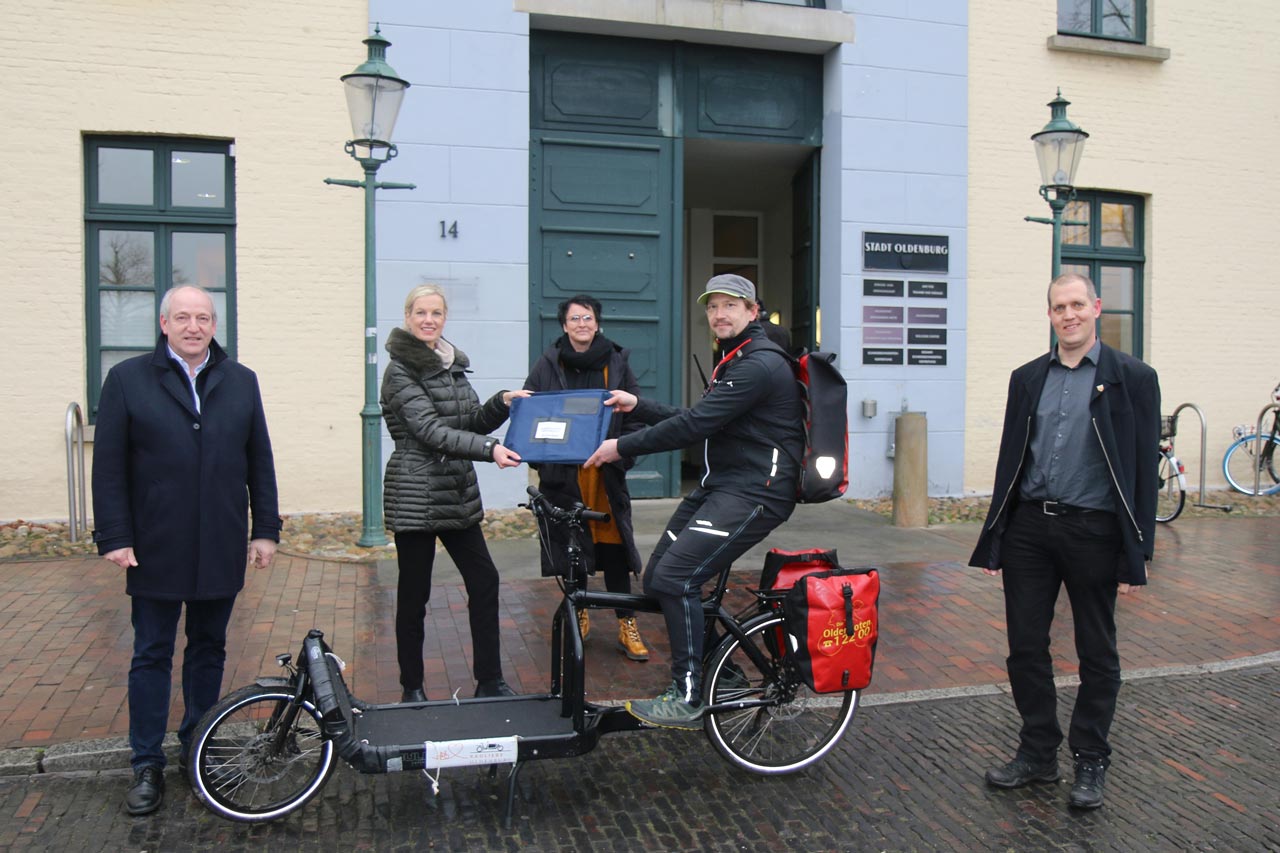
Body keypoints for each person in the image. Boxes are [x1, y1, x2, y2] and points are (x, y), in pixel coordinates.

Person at [970, 272, 1160, 810]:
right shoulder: (1027, 377)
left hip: (1095, 530)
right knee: (1025, 647)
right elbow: (1012, 458)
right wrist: (998, 533)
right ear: (1049, 314)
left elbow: (1144, 468)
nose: (1069, 314)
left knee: (1096, 651)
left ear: (1096, 307)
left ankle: (1091, 759)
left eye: (1078, 304)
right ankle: (1037, 754)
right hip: (1031, 527)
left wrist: (1136, 551)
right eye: (1059, 307)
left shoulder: (1133, 378)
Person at [92, 285, 281, 816]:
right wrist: (115, 536)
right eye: (183, 317)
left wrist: (264, 529)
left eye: (203, 318)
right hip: (155, 544)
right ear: (164, 323)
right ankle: (146, 763)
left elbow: (258, 460)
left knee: (208, 649)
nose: (193, 326)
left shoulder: (241, 381)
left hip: (219, 540)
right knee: (150, 652)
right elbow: (107, 468)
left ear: (214, 325)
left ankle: (198, 749)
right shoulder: (128, 380)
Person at [584, 273, 803, 729]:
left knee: (679, 576)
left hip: (756, 493)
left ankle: (686, 695)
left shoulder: (758, 364)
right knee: (661, 576)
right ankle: (722, 675)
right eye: (712, 306)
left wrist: (622, 447)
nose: (719, 314)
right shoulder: (735, 358)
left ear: (752, 311)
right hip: (721, 485)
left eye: (730, 305)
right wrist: (637, 405)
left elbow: (695, 426)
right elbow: (702, 418)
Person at [381, 283, 526, 703]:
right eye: (421, 313)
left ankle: (490, 681)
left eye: (436, 314)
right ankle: (412, 688)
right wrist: (490, 450)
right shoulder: (399, 372)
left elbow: (471, 424)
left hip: (456, 491)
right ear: (408, 317)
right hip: (416, 492)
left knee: (484, 581)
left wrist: (503, 402)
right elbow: (429, 432)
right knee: (414, 595)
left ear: (445, 318)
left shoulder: (451, 366)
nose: (429, 320)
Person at [523, 295, 650, 661]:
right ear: (564, 325)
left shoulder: (616, 362)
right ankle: (579, 613)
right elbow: (530, 416)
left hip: (605, 474)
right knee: (572, 549)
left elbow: (636, 414)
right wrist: (546, 466)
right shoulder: (548, 364)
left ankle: (627, 623)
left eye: (588, 317)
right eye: (575, 318)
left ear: (597, 323)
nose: (582, 324)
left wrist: (624, 454)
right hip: (566, 477)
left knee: (614, 552)